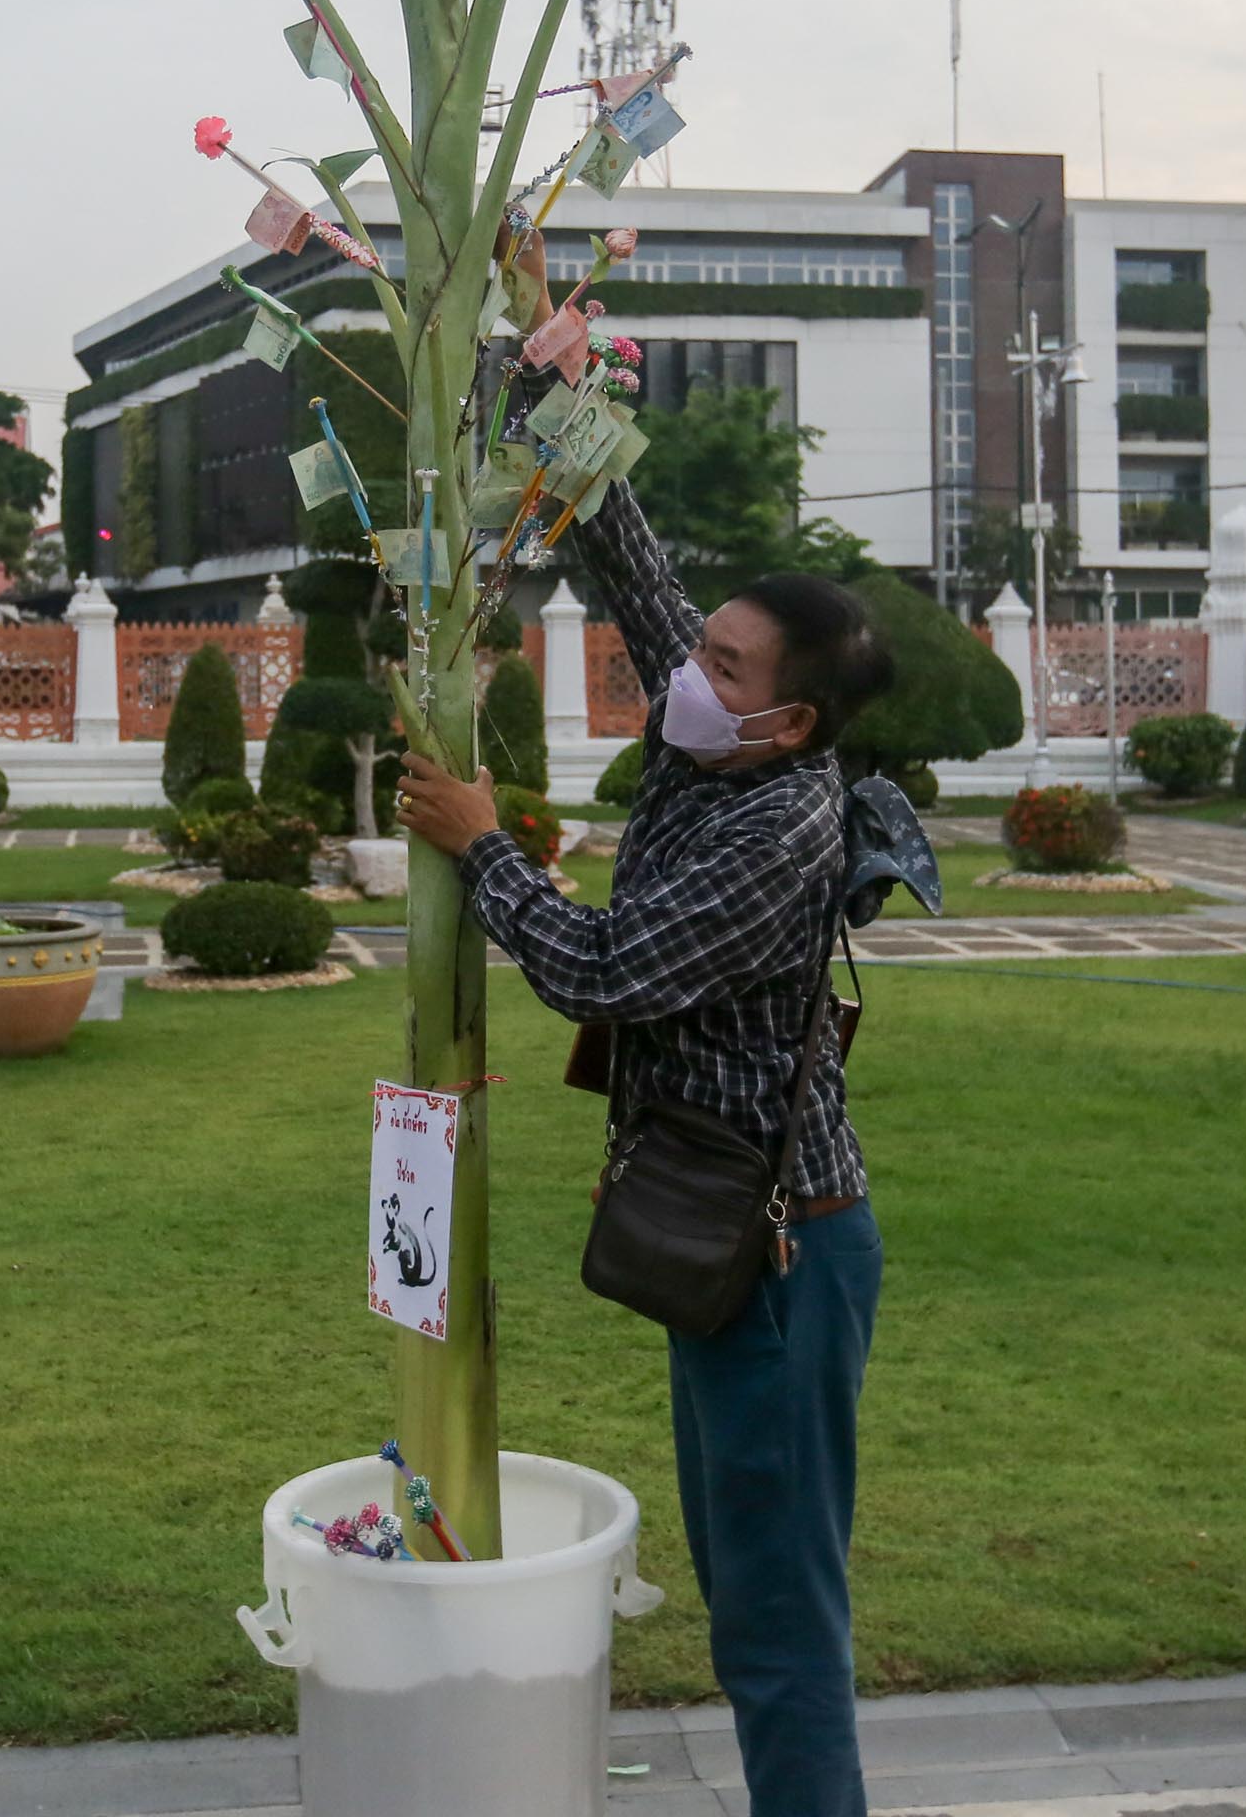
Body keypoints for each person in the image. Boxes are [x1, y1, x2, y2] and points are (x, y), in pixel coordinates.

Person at [396, 472, 895, 1817]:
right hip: (727, 1242)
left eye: (723, 664)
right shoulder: (729, 733)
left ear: (789, 717)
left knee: (780, 1633)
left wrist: (486, 852)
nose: (687, 670)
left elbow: (608, 970)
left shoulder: (781, 823)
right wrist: (580, 456)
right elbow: (650, 594)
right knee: (751, 1591)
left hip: (780, 1259)